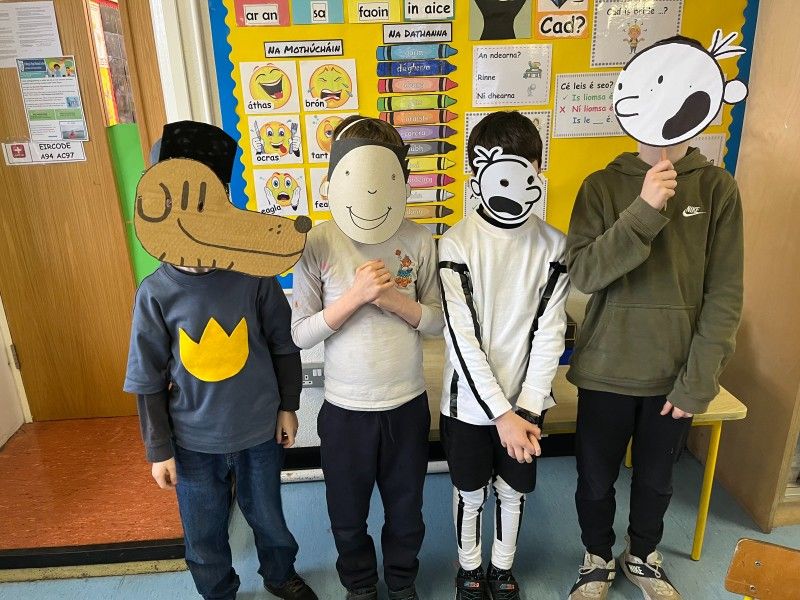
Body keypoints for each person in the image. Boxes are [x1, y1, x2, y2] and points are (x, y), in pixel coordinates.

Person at [124, 121, 317, 600]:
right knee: (203, 530)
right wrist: (159, 449)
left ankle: (279, 575)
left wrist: (289, 406)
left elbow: (283, 343)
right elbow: (146, 379)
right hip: (193, 443)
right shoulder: (156, 293)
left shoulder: (253, 275)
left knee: (269, 517)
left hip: (259, 432)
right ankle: (217, 591)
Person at [565, 141, 743, 599]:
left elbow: (724, 295)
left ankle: (642, 554)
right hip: (605, 369)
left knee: (657, 481)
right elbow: (584, 274)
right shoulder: (601, 186)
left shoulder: (717, 187)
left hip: (673, 376)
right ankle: (597, 556)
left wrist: (698, 380)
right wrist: (644, 209)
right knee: (594, 479)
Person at [291, 116, 443, 600]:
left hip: (406, 404)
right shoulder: (317, 242)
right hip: (345, 410)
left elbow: (439, 322)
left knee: (407, 511)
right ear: (335, 180)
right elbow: (301, 333)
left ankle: (401, 582)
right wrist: (354, 297)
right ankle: (359, 585)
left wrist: (393, 299)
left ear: (401, 180)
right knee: (346, 513)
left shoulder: (418, 239)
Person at [438, 111, 570, 600]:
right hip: (469, 407)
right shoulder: (456, 243)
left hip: (526, 405)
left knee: (513, 491)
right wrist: (501, 414)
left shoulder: (554, 246)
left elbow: (550, 333)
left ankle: (502, 567)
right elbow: (461, 338)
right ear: (478, 172)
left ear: (537, 171)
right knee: (470, 493)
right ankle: (469, 569)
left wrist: (527, 410)